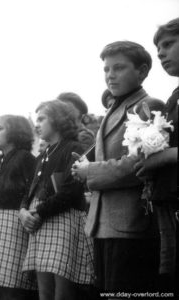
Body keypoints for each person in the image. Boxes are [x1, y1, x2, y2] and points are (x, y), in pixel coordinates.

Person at [71, 41, 165, 293]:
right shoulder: (116, 107)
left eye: (119, 68)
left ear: (142, 71)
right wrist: (84, 165)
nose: (110, 75)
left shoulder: (148, 105)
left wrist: (89, 172)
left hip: (131, 223)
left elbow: (139, 163)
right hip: (104, 223)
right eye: (106, 69)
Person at [20, 100, 93, 300]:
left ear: (58, 120)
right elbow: (28, 190)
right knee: (44, 290)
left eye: (42, 118)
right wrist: (23, 211)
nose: (37, 124)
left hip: (62, 221)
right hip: (40, 222)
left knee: (62, 290)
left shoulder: (74, 148)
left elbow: (71, 189)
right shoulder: (42, 155)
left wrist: (39, 211)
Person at [134, 18, 179, 294]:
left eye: (168, 44)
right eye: (158, 47)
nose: (160, 53)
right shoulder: (174, 96)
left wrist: (167, 157)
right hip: (169, 202)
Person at [0, 115, 37, 300]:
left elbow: (32, 190)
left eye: (0, 129)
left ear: (15, 131)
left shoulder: (25, 158)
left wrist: (22, 210)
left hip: (13, 225)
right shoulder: (2, 161)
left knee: (10, 284)